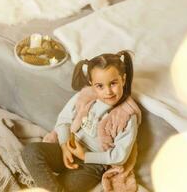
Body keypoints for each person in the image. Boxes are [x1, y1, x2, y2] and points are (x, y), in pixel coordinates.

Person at [22, 50, 141, 192]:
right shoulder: (85, 97)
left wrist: (85, 156)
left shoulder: (127, 116)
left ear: (123, 79)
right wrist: (65, 145)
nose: (108, 91)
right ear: (91, 83)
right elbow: (64, 120)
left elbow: (119, 156)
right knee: (30, 152)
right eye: (100, 86)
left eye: (113, 83)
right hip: (68, 148)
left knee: (64, 187)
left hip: (91, 164)